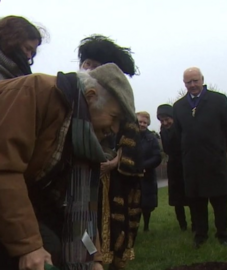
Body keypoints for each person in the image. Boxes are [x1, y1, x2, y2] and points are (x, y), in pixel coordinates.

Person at [0, 63, 139, 270]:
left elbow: (79, 205)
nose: (115, 129)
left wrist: (94, 259)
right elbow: (5, 169)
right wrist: (28, 247)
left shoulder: (82, 137)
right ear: (91, 96)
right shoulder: (36, 92)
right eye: (114, 117)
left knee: (56, 248)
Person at [77, 34, 144, 269]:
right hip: (84, 174)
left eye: (94, 64)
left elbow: (131, 138)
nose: (88, 68)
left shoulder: (116, 99)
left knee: (114, 225)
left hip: (113, 179)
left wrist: (116, 162)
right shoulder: (77, 93)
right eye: (86, 63)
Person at [173, 67, 227, 248]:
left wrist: (218, 148)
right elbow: (178, 133)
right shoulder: (179, 106)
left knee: (219, 201)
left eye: (195, 81)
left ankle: (223, 234)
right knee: (196, 202)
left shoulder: (218, 100)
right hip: (192, 163)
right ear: (184, 83)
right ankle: (200, 235)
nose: (192, 85)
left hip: (215, 161)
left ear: (202, 79)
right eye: (188, 82)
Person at [158, 104, 195, 232]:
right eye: (162, 120)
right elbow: (167, 149)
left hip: (186, 164)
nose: (165, 122)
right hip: (173, 166)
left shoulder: (181, 128)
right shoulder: (163, 132)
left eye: (167, 119)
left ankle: (195, 223)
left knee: (191, 196)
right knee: (177, 199)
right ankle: (182, 225)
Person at [136, 111, 162, 232]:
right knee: (133, 203)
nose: (142, 124)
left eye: (145, 122)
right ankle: (133, 226)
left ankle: (146, 226)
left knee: (146, 204)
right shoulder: (129, 136)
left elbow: (157, 156)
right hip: (132, 175)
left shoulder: (152, 139)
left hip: (147, 175)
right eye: (140, 121)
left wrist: (144, 166)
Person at [0, 15, 43, 80]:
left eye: (32, 53)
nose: (29, 56)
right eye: (27, 48)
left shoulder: (18, 77)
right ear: (11, 41)